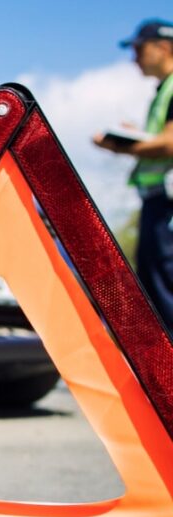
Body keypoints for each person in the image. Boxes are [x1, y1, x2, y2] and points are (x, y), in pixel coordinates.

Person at [94, 19, 173, 332]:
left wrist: (122, 146)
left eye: (139, 49)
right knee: (156, 284)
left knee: (165, 283)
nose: (134, 58)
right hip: (158, 203)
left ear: (163, 47)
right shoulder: (164, 90)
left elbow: (168, 144)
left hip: (167, 205)